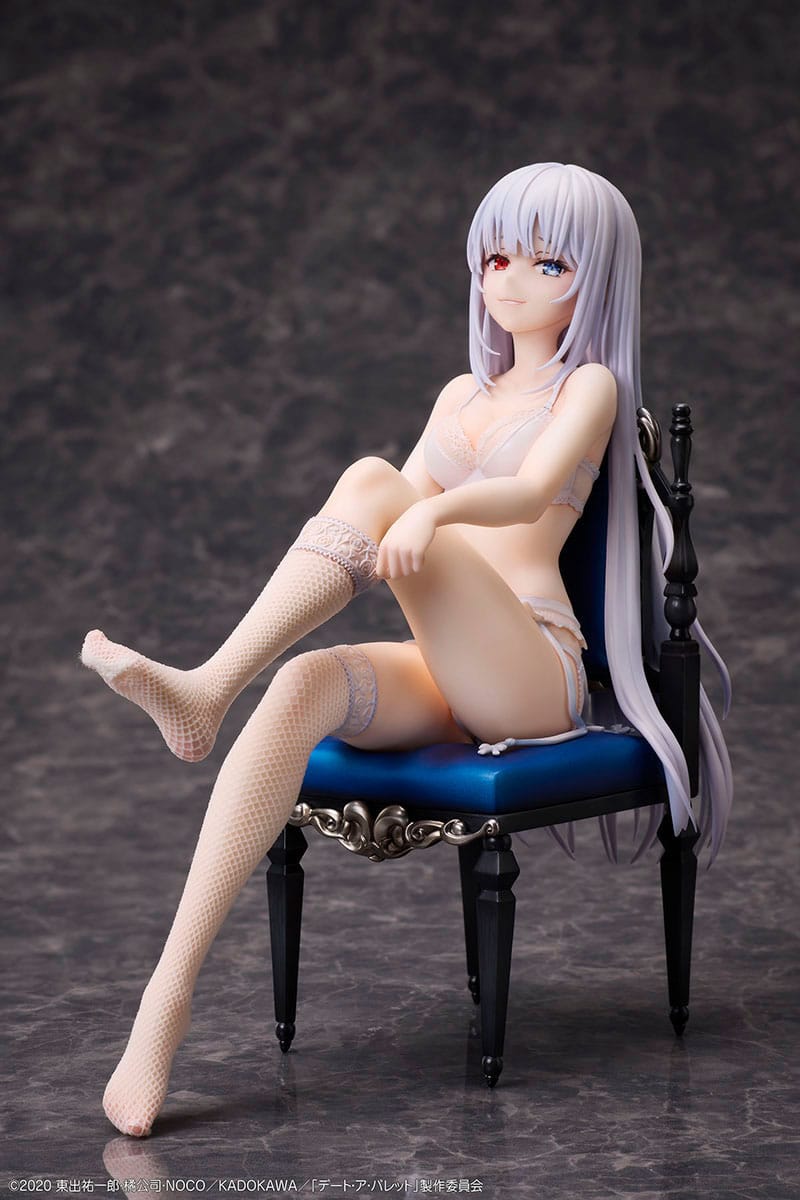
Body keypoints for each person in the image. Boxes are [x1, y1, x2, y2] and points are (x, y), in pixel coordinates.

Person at [80, 162, 733, 1137]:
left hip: (531, 667)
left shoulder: (589, 387)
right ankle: (164, 1002)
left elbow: (525, 494)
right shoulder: (460, 394)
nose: (512, 281)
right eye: (497, 258)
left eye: (548, 263)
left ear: (594, 278)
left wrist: (433, 514)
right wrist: (411, 510)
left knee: (376, 480)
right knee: (305, 680)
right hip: (450, 666)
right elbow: (388, 506)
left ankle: (209, 687)